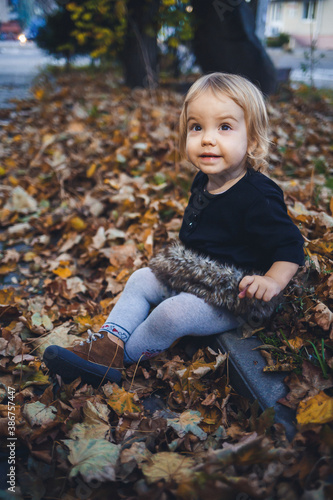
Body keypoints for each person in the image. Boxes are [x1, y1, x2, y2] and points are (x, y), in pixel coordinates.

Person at [43, 73, 304, 386]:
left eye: (224, 127)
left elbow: (290, 247)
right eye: (197, 127)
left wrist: (272, 280)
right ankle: (107, 343)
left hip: (233, 295)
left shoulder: (258, 196)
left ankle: (122, 359)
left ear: (254, 140)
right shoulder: (203, 181)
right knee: (141, 278)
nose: (208, 138)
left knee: (173, 313)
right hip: (193, 273)